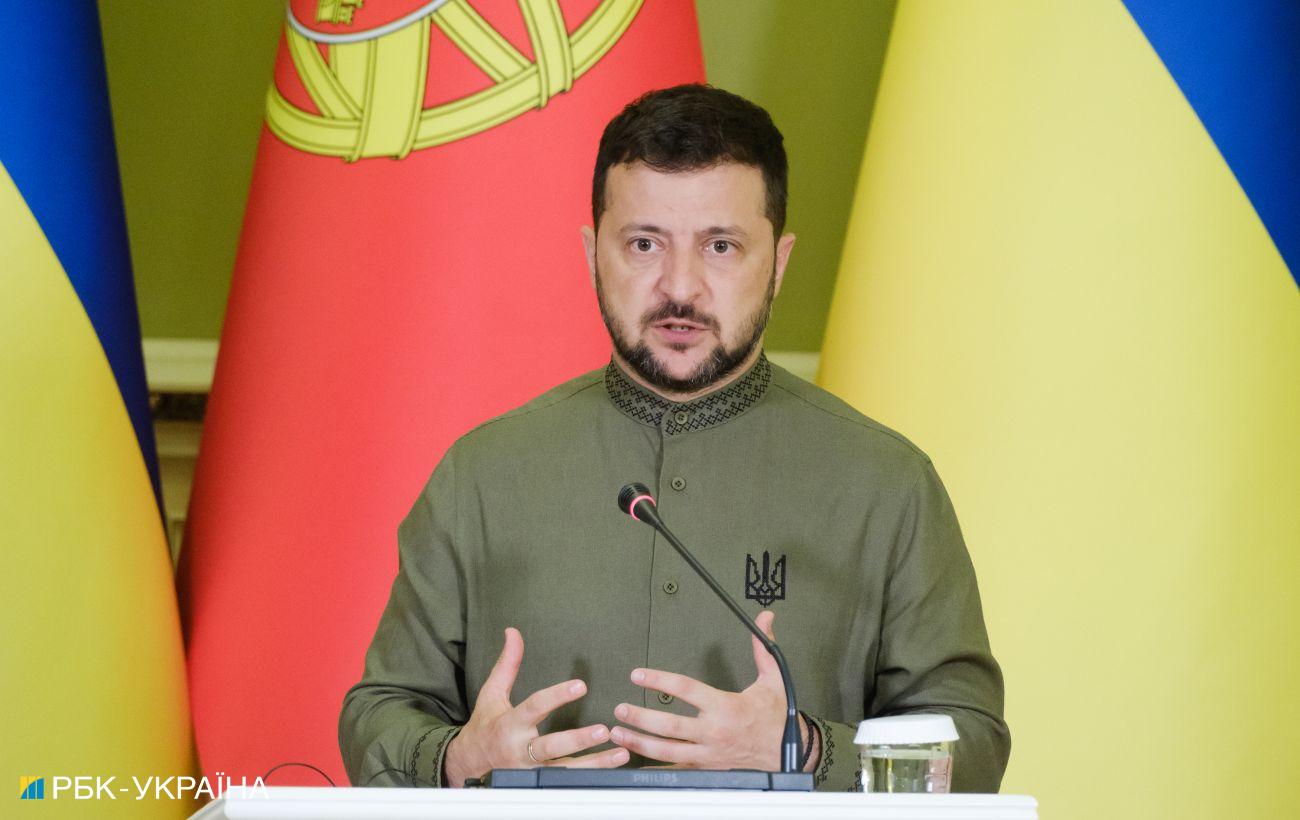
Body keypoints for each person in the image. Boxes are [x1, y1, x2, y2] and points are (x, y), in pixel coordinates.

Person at [339, 84, 1010, 792]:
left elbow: (972, 745)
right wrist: (456, 757)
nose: (680, 288)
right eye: (644, 244)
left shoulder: (887, 483)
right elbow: (377, 712)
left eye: (720, 246)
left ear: (778, 263)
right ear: (592, 254)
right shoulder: (482, 474)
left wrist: (807, 751)